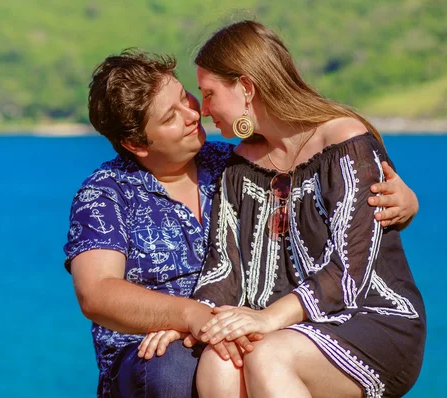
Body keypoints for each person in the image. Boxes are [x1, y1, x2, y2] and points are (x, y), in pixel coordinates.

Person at [63, 49, 419, 398]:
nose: (192, 113)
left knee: (229, 358)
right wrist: (187, 316)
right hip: (154, 346)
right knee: (177, 369)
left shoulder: (231, 164)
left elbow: (326, 205)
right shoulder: (105, 194)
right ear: (135, 143)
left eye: (185, 97)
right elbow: (96, 293)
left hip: (248, 326)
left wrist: (404, 201)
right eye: (170, 117)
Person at [178, 20, 425, 398]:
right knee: (219, 360)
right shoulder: (238, 167)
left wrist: (266, 318)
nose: (205, 109)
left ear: (246, 88)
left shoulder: (346, 142)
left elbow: (349, 271)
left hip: (372, 316)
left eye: (209, 94)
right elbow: (224, 268)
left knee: (267, 357)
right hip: (284, 328)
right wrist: (193, 322)